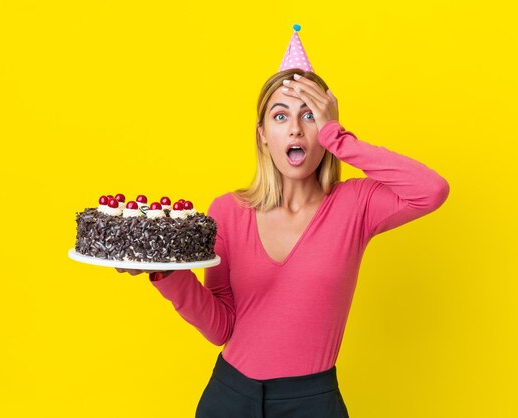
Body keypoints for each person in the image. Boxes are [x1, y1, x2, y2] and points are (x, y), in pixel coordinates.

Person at [117, 26, 450, 418]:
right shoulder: (226, 211)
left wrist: (339, 137)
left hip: (312, 402)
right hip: (229, 395)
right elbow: (220, 328)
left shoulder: (355, 205)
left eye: (309, 116)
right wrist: (166, 274)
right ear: (262, 136)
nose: (295, 128)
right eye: (281, 116)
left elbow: (431, 189)